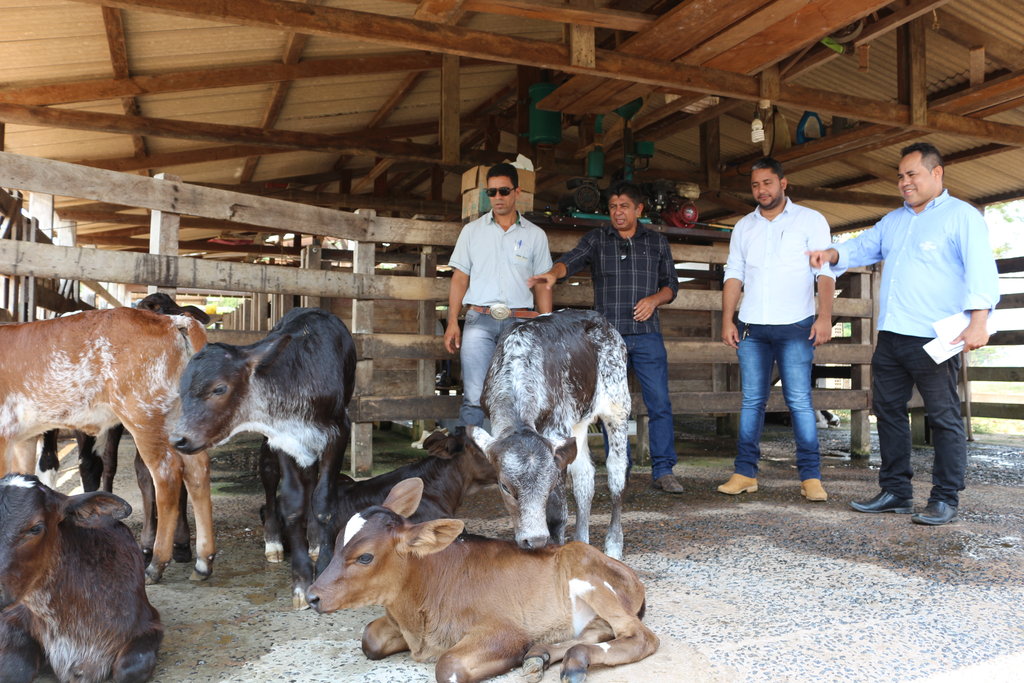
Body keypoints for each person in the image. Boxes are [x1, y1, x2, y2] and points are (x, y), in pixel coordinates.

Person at [808, 142, 1000, 526]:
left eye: (912, 174)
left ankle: (945, 498)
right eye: (900, 176)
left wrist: (978, 321)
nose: (904, 182)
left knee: (943, 416)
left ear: (937, 173)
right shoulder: (894, 221)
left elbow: (981, 269)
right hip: (892, 334)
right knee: (888, 412)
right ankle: (896, 491)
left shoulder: (961, 217)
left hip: (934, 336)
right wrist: (832, 255)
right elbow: (864, 246)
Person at [529, 181, 683, 493]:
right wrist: (553, 274)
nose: (618, 212)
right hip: (608, 341)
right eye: (613, 207)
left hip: (648, 336)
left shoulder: (656, 243)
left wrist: (654, 300)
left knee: (659, 404)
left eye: (624, 206)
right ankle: (619, 468)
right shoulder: (598, 239)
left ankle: (664, 470)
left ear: (639, 209)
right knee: (609, 407)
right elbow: (570, 260)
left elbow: (671, 285)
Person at [718, 157, 835, 502]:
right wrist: (728, 319)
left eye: (767, 183)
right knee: (752, 400)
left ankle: (810, 477)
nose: (761, 191)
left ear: (783, 183)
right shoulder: (744, 226)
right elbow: (733, 274)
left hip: (797, 324)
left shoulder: (810, 220)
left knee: (799, 401)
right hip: (753, 325)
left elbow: (825, 272)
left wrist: (824, 316)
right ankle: (744, 473)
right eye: (755, 185)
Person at [445, 162, 553, 429]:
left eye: (503, 191)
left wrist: (547, 325)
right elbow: (460, 278)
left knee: (517, 396)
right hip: (479, 320)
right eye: (491, 193)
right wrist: (451, 322)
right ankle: (470, 466)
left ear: (517, 192)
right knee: (473, 396)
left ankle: (510, 463)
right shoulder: (471, 232)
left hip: (520, 323)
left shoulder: (535, 235)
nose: (497, 198)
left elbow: (541, 284)